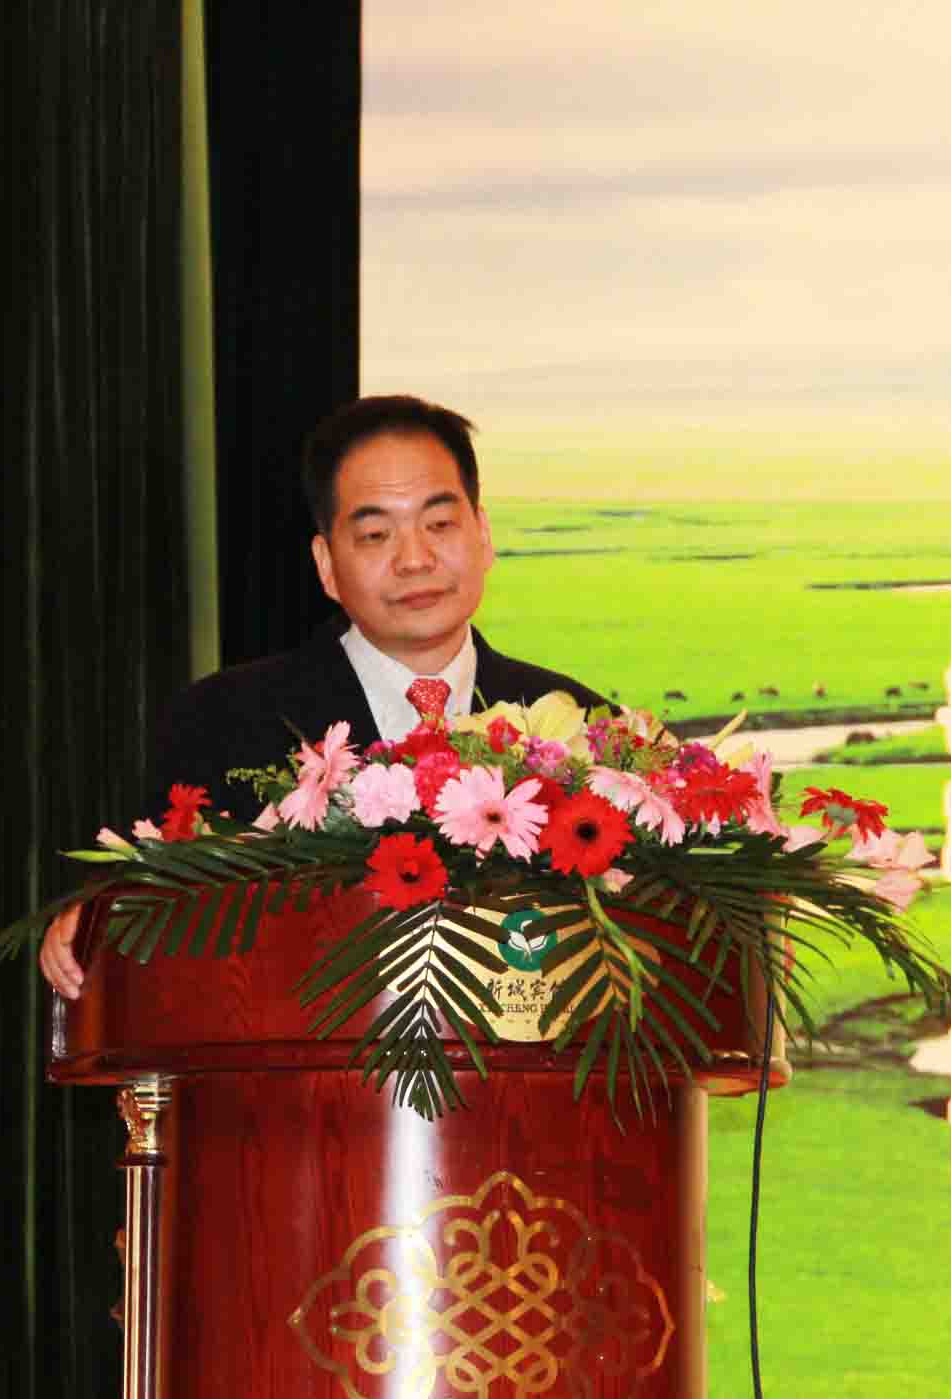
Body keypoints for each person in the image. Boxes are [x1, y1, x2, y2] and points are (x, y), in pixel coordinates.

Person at [40, 395, 606, 996]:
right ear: (326, 564)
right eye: (375, 534)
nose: (415, 559)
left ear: (483, 534)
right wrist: (96, 923)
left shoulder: (582, 728)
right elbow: (145, 912)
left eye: (440, 524)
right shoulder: (220, 723)